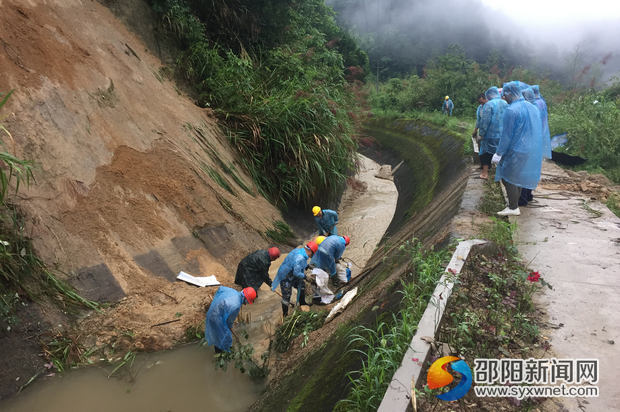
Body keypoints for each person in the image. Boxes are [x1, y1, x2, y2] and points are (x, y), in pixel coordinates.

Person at [492, 82, 543, 216]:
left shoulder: (511, 110)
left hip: (516, 149)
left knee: (507, 177)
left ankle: (513, 207)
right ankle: (515, 204)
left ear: (509, 93)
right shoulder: (532, 107)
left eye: (504, 95)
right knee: (518, 176)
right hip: (529, 148)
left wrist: (499, 153)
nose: (504, 98)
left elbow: (507, 135)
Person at [271, 241, 318, 316]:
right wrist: (306, 277)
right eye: (312, 254)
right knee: (286, 297)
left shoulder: (300, 250)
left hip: (291, 272)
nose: (311, 256)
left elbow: (298, 264)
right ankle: (285, 315)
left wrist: (307, 266)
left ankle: (303, 304)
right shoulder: (300, 257)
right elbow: (296, 273)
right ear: (310, 251)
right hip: (285, 276)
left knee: (302, 286)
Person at [204, 286, 256, 353]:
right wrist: (232, 331)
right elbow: (229, 322)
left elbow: (220, 289)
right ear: (245, 298)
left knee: (218, 335)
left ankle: (219, 351)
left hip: (212, 310)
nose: (246, 304)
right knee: (223, 338)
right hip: (216, 317)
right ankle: (220, 355)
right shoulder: (236, 305)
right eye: (248, 302)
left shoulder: (233, 291)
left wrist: (216, 301)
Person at [477, 87, 508, 180]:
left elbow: (485, 121)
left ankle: (484, 173)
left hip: (490, 134)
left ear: (488, 96)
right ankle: (501, 175)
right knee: (501, 153)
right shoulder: (505, 103)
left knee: (485, 153)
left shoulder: (489, 105)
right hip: (503, 134)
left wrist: (481, 134)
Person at [472, 93, 488, 169]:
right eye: (480, 102)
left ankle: (488, 165)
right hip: (482, 131)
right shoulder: (480, 108)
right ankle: (483, 165)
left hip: (490, 132)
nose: (481, 104)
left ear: (486, 99)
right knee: (482, 148)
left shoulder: (490, 107)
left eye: (482, 102)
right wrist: (475, 130)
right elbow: (478, 120)